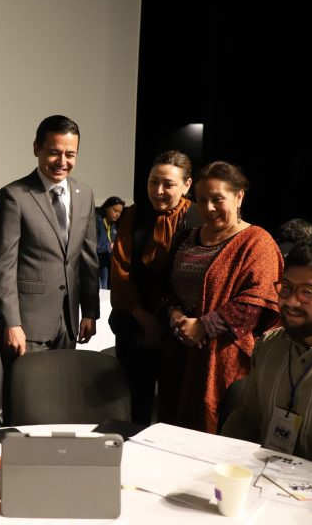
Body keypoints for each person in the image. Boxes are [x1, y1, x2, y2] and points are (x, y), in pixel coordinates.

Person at [0, 115, 99, 423]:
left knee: (60, 404)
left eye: (70, 154)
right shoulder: (14, 195)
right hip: (26, 324)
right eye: (54, 152)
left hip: (68, 321)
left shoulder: (85, 194)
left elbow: (88, 258)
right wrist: (11, 322)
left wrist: (89, 311)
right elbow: (3, 266)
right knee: (26, 407)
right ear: (37, 148)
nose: (62, 161)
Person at [160, 161, 283, 433]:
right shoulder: (186, 238)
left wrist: (203, 326)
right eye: (202, 200)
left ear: (239, 196)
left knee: (216, 432)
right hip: (178, 350)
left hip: (223, 357)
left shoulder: (257, 242)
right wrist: (175, 314)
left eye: (217, 199)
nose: (208, 208)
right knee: (172, 429)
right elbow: (166, 287)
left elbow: (258, 302)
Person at [222, 237, 312, 472]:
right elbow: (246, 418)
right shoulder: (270, 345)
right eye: (287, 287)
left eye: (308, 292)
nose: (291, 301)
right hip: (258, 478)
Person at [109, 150, 200, 426]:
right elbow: (120, 270)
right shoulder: (133, 214)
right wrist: (143, 317)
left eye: (168, 184)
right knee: (133, 406)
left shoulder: (198, 217)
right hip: (134, 322)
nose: (158, 191)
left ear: (186, 185)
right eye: (153, 182)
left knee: (176, 410)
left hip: (181, 330)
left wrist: (173, 318)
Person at [96, 196, 125, 289]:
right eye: (115, 210)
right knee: (97, 291)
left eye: (120, 212)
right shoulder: (95, 220)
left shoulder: (112, 224)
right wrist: (110, 246)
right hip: (94, 263)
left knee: (104, 289)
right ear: (106, 208)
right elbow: (93, 245)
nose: (118, 214)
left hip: (104, 262)